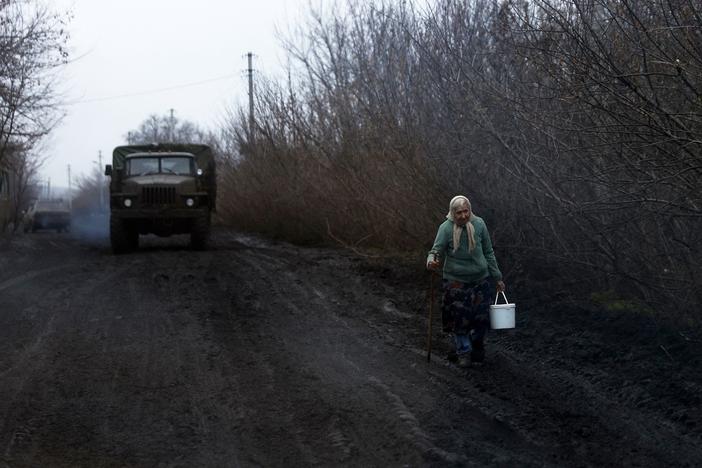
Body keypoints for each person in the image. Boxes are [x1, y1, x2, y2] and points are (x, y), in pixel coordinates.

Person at [427, 195, 505, 367]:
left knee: (481, 319)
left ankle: (476, 345)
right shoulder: (445, 229)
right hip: (456, 282)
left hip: (480, 280)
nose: (463, 216)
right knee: (459, 319)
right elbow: (436, 250)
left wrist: (497, 277)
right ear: (452, 213)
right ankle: (464, 352)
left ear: (470, 210)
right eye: (458, 212)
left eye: (465, 211)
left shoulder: (479, 224)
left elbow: (488, 252)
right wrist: (431, 261)